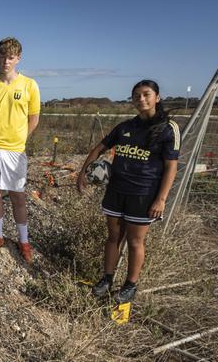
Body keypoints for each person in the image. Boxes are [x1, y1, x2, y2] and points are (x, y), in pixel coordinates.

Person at [77, 79, 180, 303]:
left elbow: (172, 166)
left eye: (146, 94)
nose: (141, 99)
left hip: (143, 194)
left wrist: (161, 199)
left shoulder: (167, 129)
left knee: (135, 242)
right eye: (136, 96)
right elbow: (99, 148)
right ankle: (107, 279)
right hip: (116, 191)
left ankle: (130, 285)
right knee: (113, 237)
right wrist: (82, 174)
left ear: (157, 98)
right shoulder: (125, 127)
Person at [0, 37, 40, 263]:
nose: (6, 61)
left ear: (18, 59)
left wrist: (19, 139)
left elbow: (34, 119)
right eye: (2, 56)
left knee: (18, 196)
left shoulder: (29, 85)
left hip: (15, 150)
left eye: (11, 57)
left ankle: (24, 241)